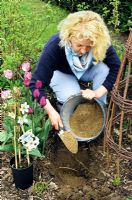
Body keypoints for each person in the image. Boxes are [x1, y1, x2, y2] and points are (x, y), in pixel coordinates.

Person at [29, 10, 121, 131]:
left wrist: (97, 93)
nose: (83, 51)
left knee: (105, 69)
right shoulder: (55, 46)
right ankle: (66, 111)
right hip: (62, 73)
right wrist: (50, 111)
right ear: (69, 37)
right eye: (79, 45)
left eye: (89, 46)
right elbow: (35, 84)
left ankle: (99, 109)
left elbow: (116, 67)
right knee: (71, 97)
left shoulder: (100, 42)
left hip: (88, 69)